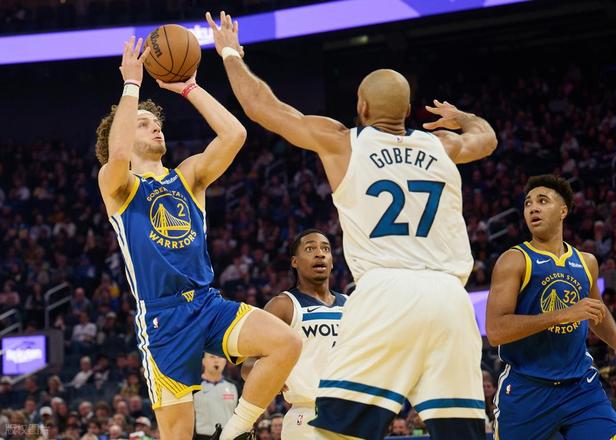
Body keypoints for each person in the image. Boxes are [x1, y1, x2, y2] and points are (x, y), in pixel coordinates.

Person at [206, 11, 497, 439]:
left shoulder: (344, 141)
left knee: (336, 430)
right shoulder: (442, 145)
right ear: (409, 111)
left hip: (387, 292)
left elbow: (262, 107)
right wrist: (462, 116)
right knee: (461, 431)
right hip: (452, 297)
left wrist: (230, 53)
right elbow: (487, 139)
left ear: (361, 107)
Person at [95, 36, 301, 440]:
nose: (155, 127)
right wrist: (131, 85)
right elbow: (117, 156)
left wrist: (189, 87)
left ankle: (236, 431)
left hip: (208, 302)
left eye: (156, 122)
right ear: (122, 135)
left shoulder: (188, 176)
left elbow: (234, 134)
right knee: (178, 435)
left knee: (287, 343)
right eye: (142, 124)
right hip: (163, 318)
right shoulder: (117, 185)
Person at [486, 174, 616, 439]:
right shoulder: (514, 260)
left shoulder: (586, 262)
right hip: (528, 389)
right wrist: (560, 315)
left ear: (563, 210)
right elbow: (496, 331)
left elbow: (596, 311)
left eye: (542, 201)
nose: (533, 208)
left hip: (580, 387)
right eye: (527, 203)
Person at [242, 229, 347, 439]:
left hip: (351, 413)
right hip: (306, 416)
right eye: (310, 249)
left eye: (325, 249)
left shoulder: (350, 304)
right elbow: (247, 365)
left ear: (332, 261)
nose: (320, 254)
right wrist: (269, 374)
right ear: (295, 262)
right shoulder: (283, 305)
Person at [193, 353, 239, 439]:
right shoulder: (193, 386)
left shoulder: (234, 386)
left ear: (225, 361)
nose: (216, 360)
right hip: (201, 436)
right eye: (212, 357)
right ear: (203, 361)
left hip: (227, 437)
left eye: (220, 357)